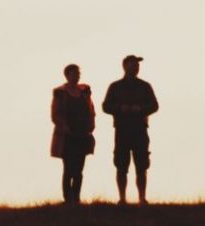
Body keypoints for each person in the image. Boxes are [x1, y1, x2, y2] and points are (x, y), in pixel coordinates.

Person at [102, 55, 159, 205]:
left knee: (142, 166)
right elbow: (105, 106)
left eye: (137, 65)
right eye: (133, 65)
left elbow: (154, 106)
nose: (136, 68)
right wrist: (121, 108)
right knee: (121, 166)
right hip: (122, 130)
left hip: (140, 130)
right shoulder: (115, 86)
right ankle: (122, 198)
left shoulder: (145, 86)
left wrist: (140, 109)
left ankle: (142, 198)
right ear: (125, 66)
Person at [51, 64, 96, 204]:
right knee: (69, 168)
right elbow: (55, 114)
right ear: (67, 75)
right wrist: (65, 127)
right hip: (67, 136)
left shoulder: (84, 91)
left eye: (78, 73)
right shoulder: (60, 93)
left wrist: (91, 125)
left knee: (79, 168)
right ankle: (68, 198)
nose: (77, 76)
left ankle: (76, 197)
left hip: (83, 135)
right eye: (74, 73)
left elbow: (91, 109)